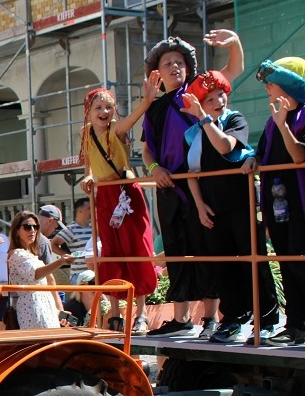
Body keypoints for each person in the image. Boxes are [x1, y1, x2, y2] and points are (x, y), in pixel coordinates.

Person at [142, 30, 244, 338]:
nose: (174, 67)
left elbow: (233, 71)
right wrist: (154, 168)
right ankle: (181, 317)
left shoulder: (200, 92)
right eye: (167, 63)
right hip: (169, 185)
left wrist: (234, 43)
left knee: (206, 247)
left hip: (202, 181)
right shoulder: (155, 107)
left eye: (178, 62)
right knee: (175, 248)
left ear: (188, 66)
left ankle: (211, 317)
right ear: (157, 73)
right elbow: (147, 147)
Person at [181, 70, 279, 343]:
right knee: (223, 265)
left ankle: (268, 319)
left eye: (220, 94)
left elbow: (225, 147)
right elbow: (192, 172)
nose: (217, 101)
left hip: (242, 204)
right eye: (209, 98)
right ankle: (232, 319)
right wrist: (199, 206)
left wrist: (204, 119)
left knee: (254, 261)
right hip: (213, 208)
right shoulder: (193, 134)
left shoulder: (235, 119)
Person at [79, 84, 159, 332]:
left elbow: (130, 121)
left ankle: (142, 314)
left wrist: (146, 102)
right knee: (110, 253)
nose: (104, 111)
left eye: (109, 107)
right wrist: (89, 177)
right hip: (104, 196)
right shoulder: (87, 133)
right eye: (98, 107)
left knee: (136, 249)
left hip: (126, 194)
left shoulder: (116, 129)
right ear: (89, 112)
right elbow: (91, 164)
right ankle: (115, 313)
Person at [245, 56, 305, 344]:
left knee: (300, 263)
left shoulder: (301, 115)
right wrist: (252, 160)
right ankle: (294, 324)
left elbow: (299, 156)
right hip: (280, 207)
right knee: (287, 263)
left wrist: (284, 125)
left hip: (302, 206)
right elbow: (262, 152)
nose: (267, 88)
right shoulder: (272, 122)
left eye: (271, 83)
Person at [7, 211, 74, 329]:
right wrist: (61, 261)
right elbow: (36, 274)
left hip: (44, 304)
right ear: (17, 230)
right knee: (41, 343)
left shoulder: (31, 254)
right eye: (27, 227)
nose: (32, 230)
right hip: (31, 306)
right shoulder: (16, 254)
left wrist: (58, 309)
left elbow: (49, 281)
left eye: (35, 227)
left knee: (51, 342)